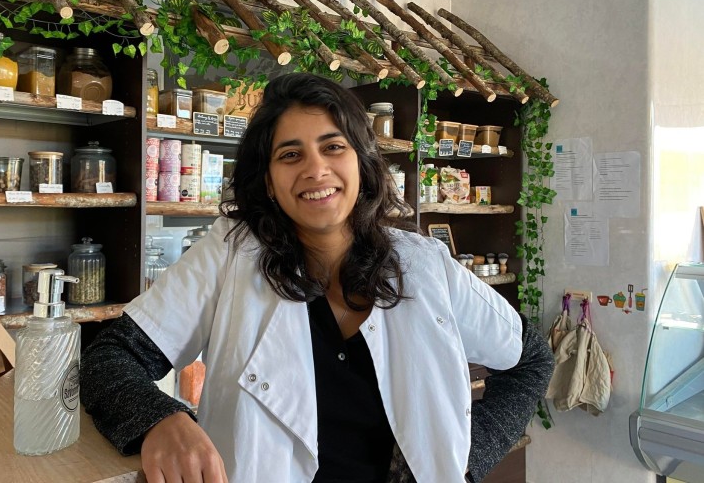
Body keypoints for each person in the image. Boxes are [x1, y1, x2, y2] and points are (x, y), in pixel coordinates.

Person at [81, 73, 554, 483]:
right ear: (269, 181)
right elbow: (110, 358)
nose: (315, 169)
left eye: (333, 147)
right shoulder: (231, 253)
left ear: (362, 161)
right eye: (290, 154)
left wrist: (463, 462)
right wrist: (160, 419)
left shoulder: (426, 265)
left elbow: (531, 361)